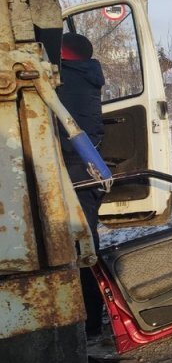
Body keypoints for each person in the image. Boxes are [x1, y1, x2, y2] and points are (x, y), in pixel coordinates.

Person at [57, 32, 106, 339]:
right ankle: (89, 318)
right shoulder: (84, 76)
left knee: (83, 246)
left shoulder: (67, 81)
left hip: (75, 171)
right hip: (83, 170)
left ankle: (88, 322)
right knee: (85, 241)